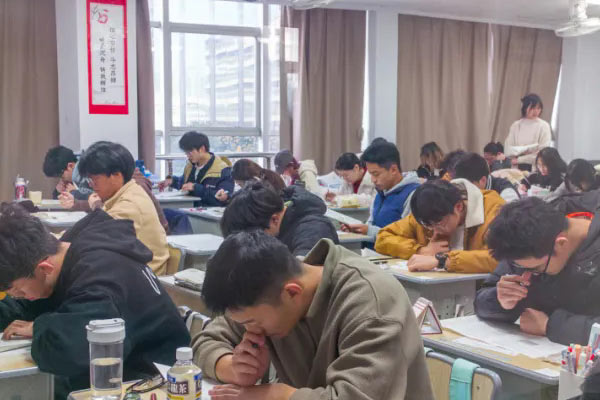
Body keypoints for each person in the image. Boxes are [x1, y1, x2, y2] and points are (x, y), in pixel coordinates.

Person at [192, 231, 433, 400]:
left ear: (292, 293)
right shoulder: (266, 294)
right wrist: (233, 368)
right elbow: (206, 340)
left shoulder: (372, 304)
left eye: (251, 322)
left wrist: (278, 395)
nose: (250, 331)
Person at [0, 203, 190, 398]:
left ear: (44, 268)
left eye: (18, 291)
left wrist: (40, 326)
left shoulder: (101, 275)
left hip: (154, 378)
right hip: (123, 368)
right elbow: (31, 302)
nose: (18, 296)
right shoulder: (63, 252)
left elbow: (71, 351)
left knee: (30, 390)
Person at [474, 197, 600, 345]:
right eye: (519, 266)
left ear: (560, 244)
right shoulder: (526, 234)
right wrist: (499, 299)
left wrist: (550, 326)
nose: (526, 276)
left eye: (536, 269)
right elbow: (481, 300)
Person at [78, 141, 170, 275]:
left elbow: (91, 236)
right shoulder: (122, 194)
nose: (92, 185)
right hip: (130, 269)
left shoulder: (129, 205)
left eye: (95, 179)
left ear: (116, 175)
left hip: (143, 277)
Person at [375, 179, 504, 273]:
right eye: (428, 226)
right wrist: (420, 250)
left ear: (459, 207)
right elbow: (382, 238)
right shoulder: (428, 212)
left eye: (439, 224)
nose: (434, 230)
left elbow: (501, 258)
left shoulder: (493, 211)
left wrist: (442, 261)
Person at [220, 181, 338, 257]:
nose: (252, 243)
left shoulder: (313, 231)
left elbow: (302, 279)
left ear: (274, 220)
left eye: (254, 236)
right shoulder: (280, 226)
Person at [340, 142, 421, 239]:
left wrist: (369, 231)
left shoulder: (413, 195)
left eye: (376, 174)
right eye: (370, 174)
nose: (373, 180)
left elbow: (407, 238)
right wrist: (359, 230)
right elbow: (371, 224)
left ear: (393, 170)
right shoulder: (380, 193)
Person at [158, 131, 234, 207]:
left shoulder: (223, 170)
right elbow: (184, 183)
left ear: (202, 149)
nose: (188, 156)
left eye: (189, 152)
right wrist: (172, 181)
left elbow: (221, 199)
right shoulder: (190, 166)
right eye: (186, 153)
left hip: (208, 211)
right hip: (189, 208)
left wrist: (195, 188)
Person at [505, 94, 552, 172]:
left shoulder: (544, 126)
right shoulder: (516, 125)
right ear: (525, 107)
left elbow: (543, 151)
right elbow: (508, 148)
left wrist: (520, 159)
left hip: (535, 167)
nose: (536, 111)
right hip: (515, 167)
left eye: (538, 108)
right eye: (532, 108)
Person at [455, 152, 519, 203]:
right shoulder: (460, 190)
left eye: (468, 186)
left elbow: (510, 212)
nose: (465, 191)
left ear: (483, 180)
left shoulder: (505, 190)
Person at [220, 159, 286, 202]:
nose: (236, 183)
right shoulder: (267, 176)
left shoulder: (258, 186)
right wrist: (227, 197)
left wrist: (228, 199)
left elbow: (241, 197)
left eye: (238, 182)